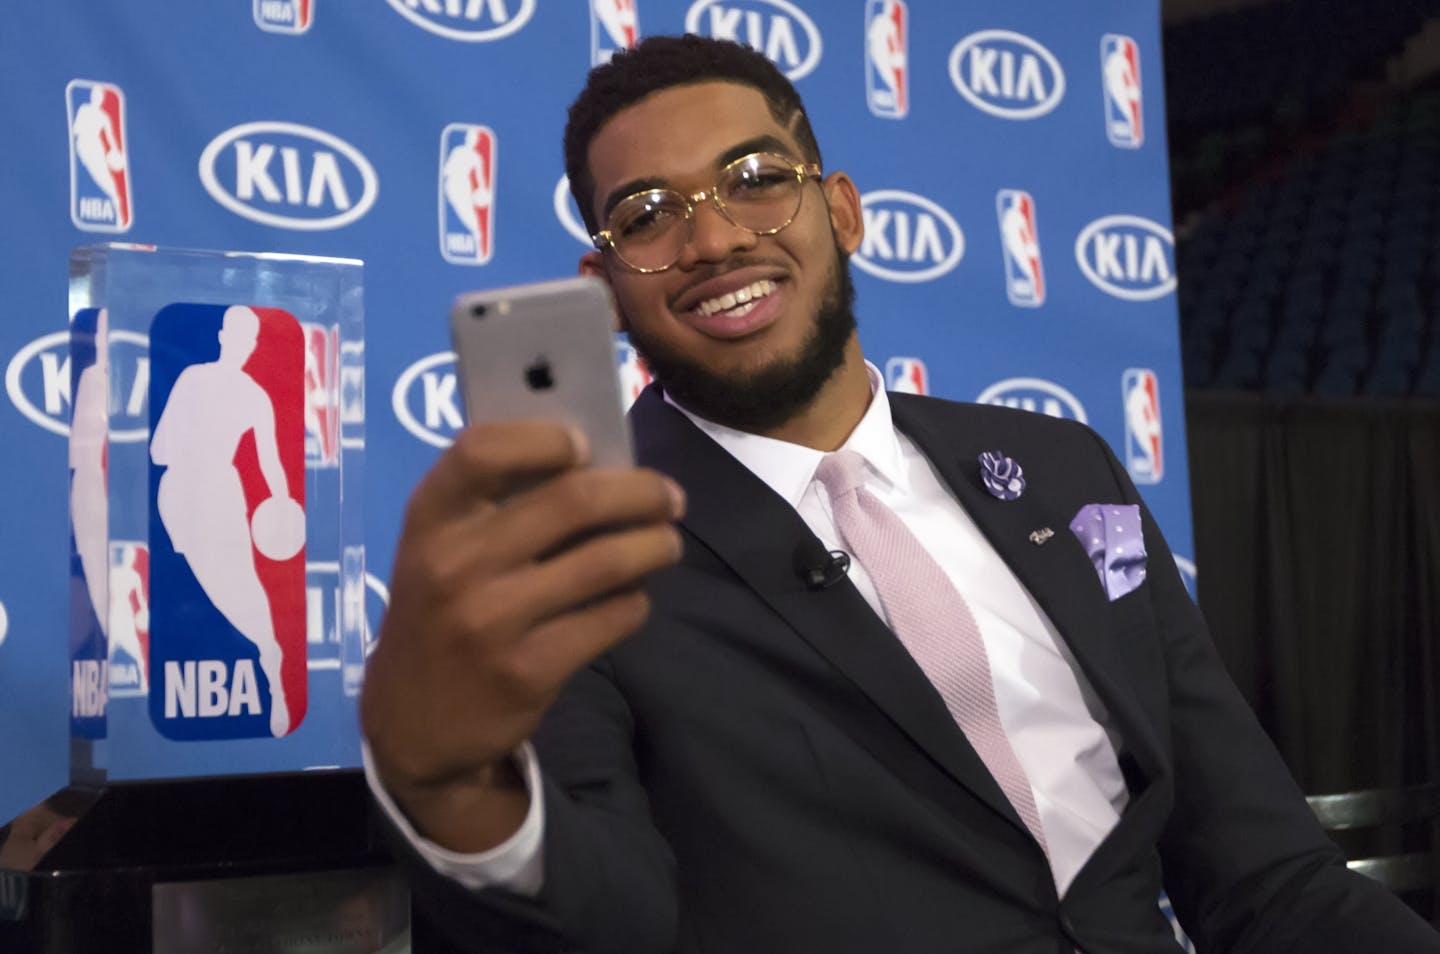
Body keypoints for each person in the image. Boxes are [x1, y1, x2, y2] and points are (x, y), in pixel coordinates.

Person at [360, 35, 1439, 953]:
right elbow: (611, 914)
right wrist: (454, 790)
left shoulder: (1067, 472)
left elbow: (1265, 878)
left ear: (841, 210)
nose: (716, 237)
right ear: (603, 290)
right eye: (647, 214)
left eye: (755, 177)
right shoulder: (585, 545)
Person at [151, 305, 300, 737]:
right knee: (208, 586)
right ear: (226, 339)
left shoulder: (246, 394)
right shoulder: (208, 383)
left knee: (236, 585)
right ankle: (266, 657)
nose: (243, 345)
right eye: (240, 337)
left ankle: (269, 665)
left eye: (248, 339)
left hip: (208, 492)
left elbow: (270, 463)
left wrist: (282, 504)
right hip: (186, 494)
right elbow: (159, 451)